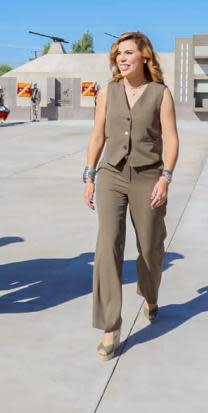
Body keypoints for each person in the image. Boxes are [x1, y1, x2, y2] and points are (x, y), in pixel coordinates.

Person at [83, 31, 179, 360]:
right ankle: (110, 325)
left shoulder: (160, 94)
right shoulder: (107, 93)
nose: (122, 59)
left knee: (150, 247)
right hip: (111, 175)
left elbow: (171, 138)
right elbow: (97, 136)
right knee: (107, 245)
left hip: (148, 176)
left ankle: (150, 295)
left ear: (144, 57)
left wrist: (166, 177)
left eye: (128, 53)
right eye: (118, 55)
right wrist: (89, 175)